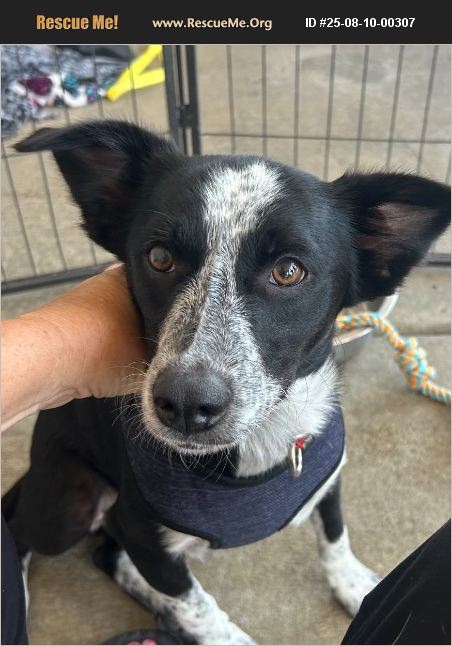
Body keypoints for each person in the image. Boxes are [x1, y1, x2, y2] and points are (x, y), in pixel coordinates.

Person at [1, 265, 450, 645]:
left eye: (286, 271)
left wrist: (341, 566)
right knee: (54, 532)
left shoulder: (321, 425)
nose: (191, 390)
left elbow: (324, 484)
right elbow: (145, 537)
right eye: (162, 258)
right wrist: (212, 628)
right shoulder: (160, 474)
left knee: (320, 472)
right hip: (90, 466)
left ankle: (340, 566)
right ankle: (36, 546)